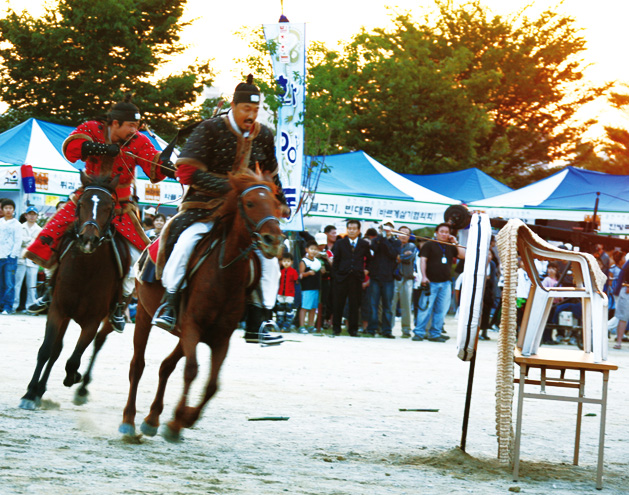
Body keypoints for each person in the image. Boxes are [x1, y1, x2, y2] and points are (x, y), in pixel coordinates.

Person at [151, 75, 290, 345]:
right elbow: (186, 171)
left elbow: (271, 176)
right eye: (246, 109)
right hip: (205, 205)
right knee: (186, 241)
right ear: (234, 107)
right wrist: (231, 187)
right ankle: (169, 302)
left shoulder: (265, 136)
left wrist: (280, 200)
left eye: (256, 110)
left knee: (269, 258)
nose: (251, 115)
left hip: (247, 212)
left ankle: (261, 319)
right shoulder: (209, 128)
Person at [25, 96, 174, 332]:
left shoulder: (139, 141)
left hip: (120, 206)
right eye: (131, 126)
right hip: (87, 198)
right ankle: (49, 290)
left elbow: (153, 169)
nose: (135, 131)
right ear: (114, 123)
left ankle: (119, 303)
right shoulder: (92, 128)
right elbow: (71, 149)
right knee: (50, 236)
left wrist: (166, 166)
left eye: (137, 126)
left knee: (142, 256)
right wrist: (101, 148)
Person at [412, 223, 465, 342]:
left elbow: (463, 255)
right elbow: (423, 261)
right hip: (431, 282)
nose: (444, 234)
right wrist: (424, 277)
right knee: (425, 308)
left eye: (446, 232)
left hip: (445, 283)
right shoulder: (429, 244)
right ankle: (419, 332)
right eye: (442, 231)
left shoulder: (450, 245)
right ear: (436, 233)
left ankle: (435, 333)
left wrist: (455, 242)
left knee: (441, 310)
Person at [331, 219, 371, 336]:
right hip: (342, 277)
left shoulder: (364, 244)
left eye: (354, 229)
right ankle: (336, 328)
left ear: (359, 231)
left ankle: (353, 329)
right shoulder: (340, 243)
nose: (352, 231)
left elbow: (369, 260)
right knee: (338, 303)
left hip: (356, 277)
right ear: (347, 229)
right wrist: (336, 275)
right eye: (350, 228)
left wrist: (367, 270)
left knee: (355, 304)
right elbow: (336, 261)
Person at [366, 222, 401, 338]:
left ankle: (386, 330)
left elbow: (392, 254)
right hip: (375, 276)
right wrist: (381, 237)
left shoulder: (396, 242)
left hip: (388, 278)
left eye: (389, 227)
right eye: (384, 227)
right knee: (373, 304)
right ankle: (372, 329)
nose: (387, 229)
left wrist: (386, 239)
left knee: (387, 306)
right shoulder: (376, 240)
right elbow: (373, 249)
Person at [13, 206, 42, 312]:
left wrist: (26, 241)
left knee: (32, 285)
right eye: (30, 214)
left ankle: (30, 307)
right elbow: (18, 241)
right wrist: (30, 240)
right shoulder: (20, 227)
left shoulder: (40, 230)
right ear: (25, 215)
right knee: (17, 284)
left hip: (33, 260)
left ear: (37, 216)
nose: (32, 216)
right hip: (20, 259)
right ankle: (14, 305)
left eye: (34, 214)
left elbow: (38, 244)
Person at [391, 226, 417, 338]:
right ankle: (388, 328)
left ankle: (406, 330)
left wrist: (397, 257)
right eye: (401, 232)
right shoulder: (392, 245)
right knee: (391, 305)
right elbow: (391, 257)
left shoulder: (411, 246)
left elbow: (409, 258)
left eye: (406, 233)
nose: (403, 235)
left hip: (407, 278)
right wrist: (399, 256)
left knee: (406, 305)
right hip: (393, 278)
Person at [0, 199, 23, 314]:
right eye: (6, 208)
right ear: (2, 210)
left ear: (14, 210)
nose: (8, 210)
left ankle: (7, 307)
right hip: (0, 255)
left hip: (10, 258)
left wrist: (12, 255)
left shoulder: (17, 224)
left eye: (10, 208)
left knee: (9, 283)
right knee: (0, 283)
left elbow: (18, 241)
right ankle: (1, 305)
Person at [298, 240, 324, 333]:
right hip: (307, 288)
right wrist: (308, 273)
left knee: (313, 308)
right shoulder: (304, 261)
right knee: (305, 307)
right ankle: (301, 326)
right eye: (311, 249)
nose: (313, 251)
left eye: (315, 249)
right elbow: (300, 275)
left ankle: (310, 325)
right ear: (306, 250)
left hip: (316, 287)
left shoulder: (317, 261)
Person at [276, 252, 299, 332]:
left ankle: (287, 324)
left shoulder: (293, 271)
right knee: (280, 308)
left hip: (289, 293)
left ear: (292, 262)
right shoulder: (280, 271)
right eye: (284, 261)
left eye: (288, 261)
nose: (286, 263)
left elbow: (297, 280)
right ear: (282, 262)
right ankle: (279, 323)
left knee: (289, 308)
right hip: (281, 292)